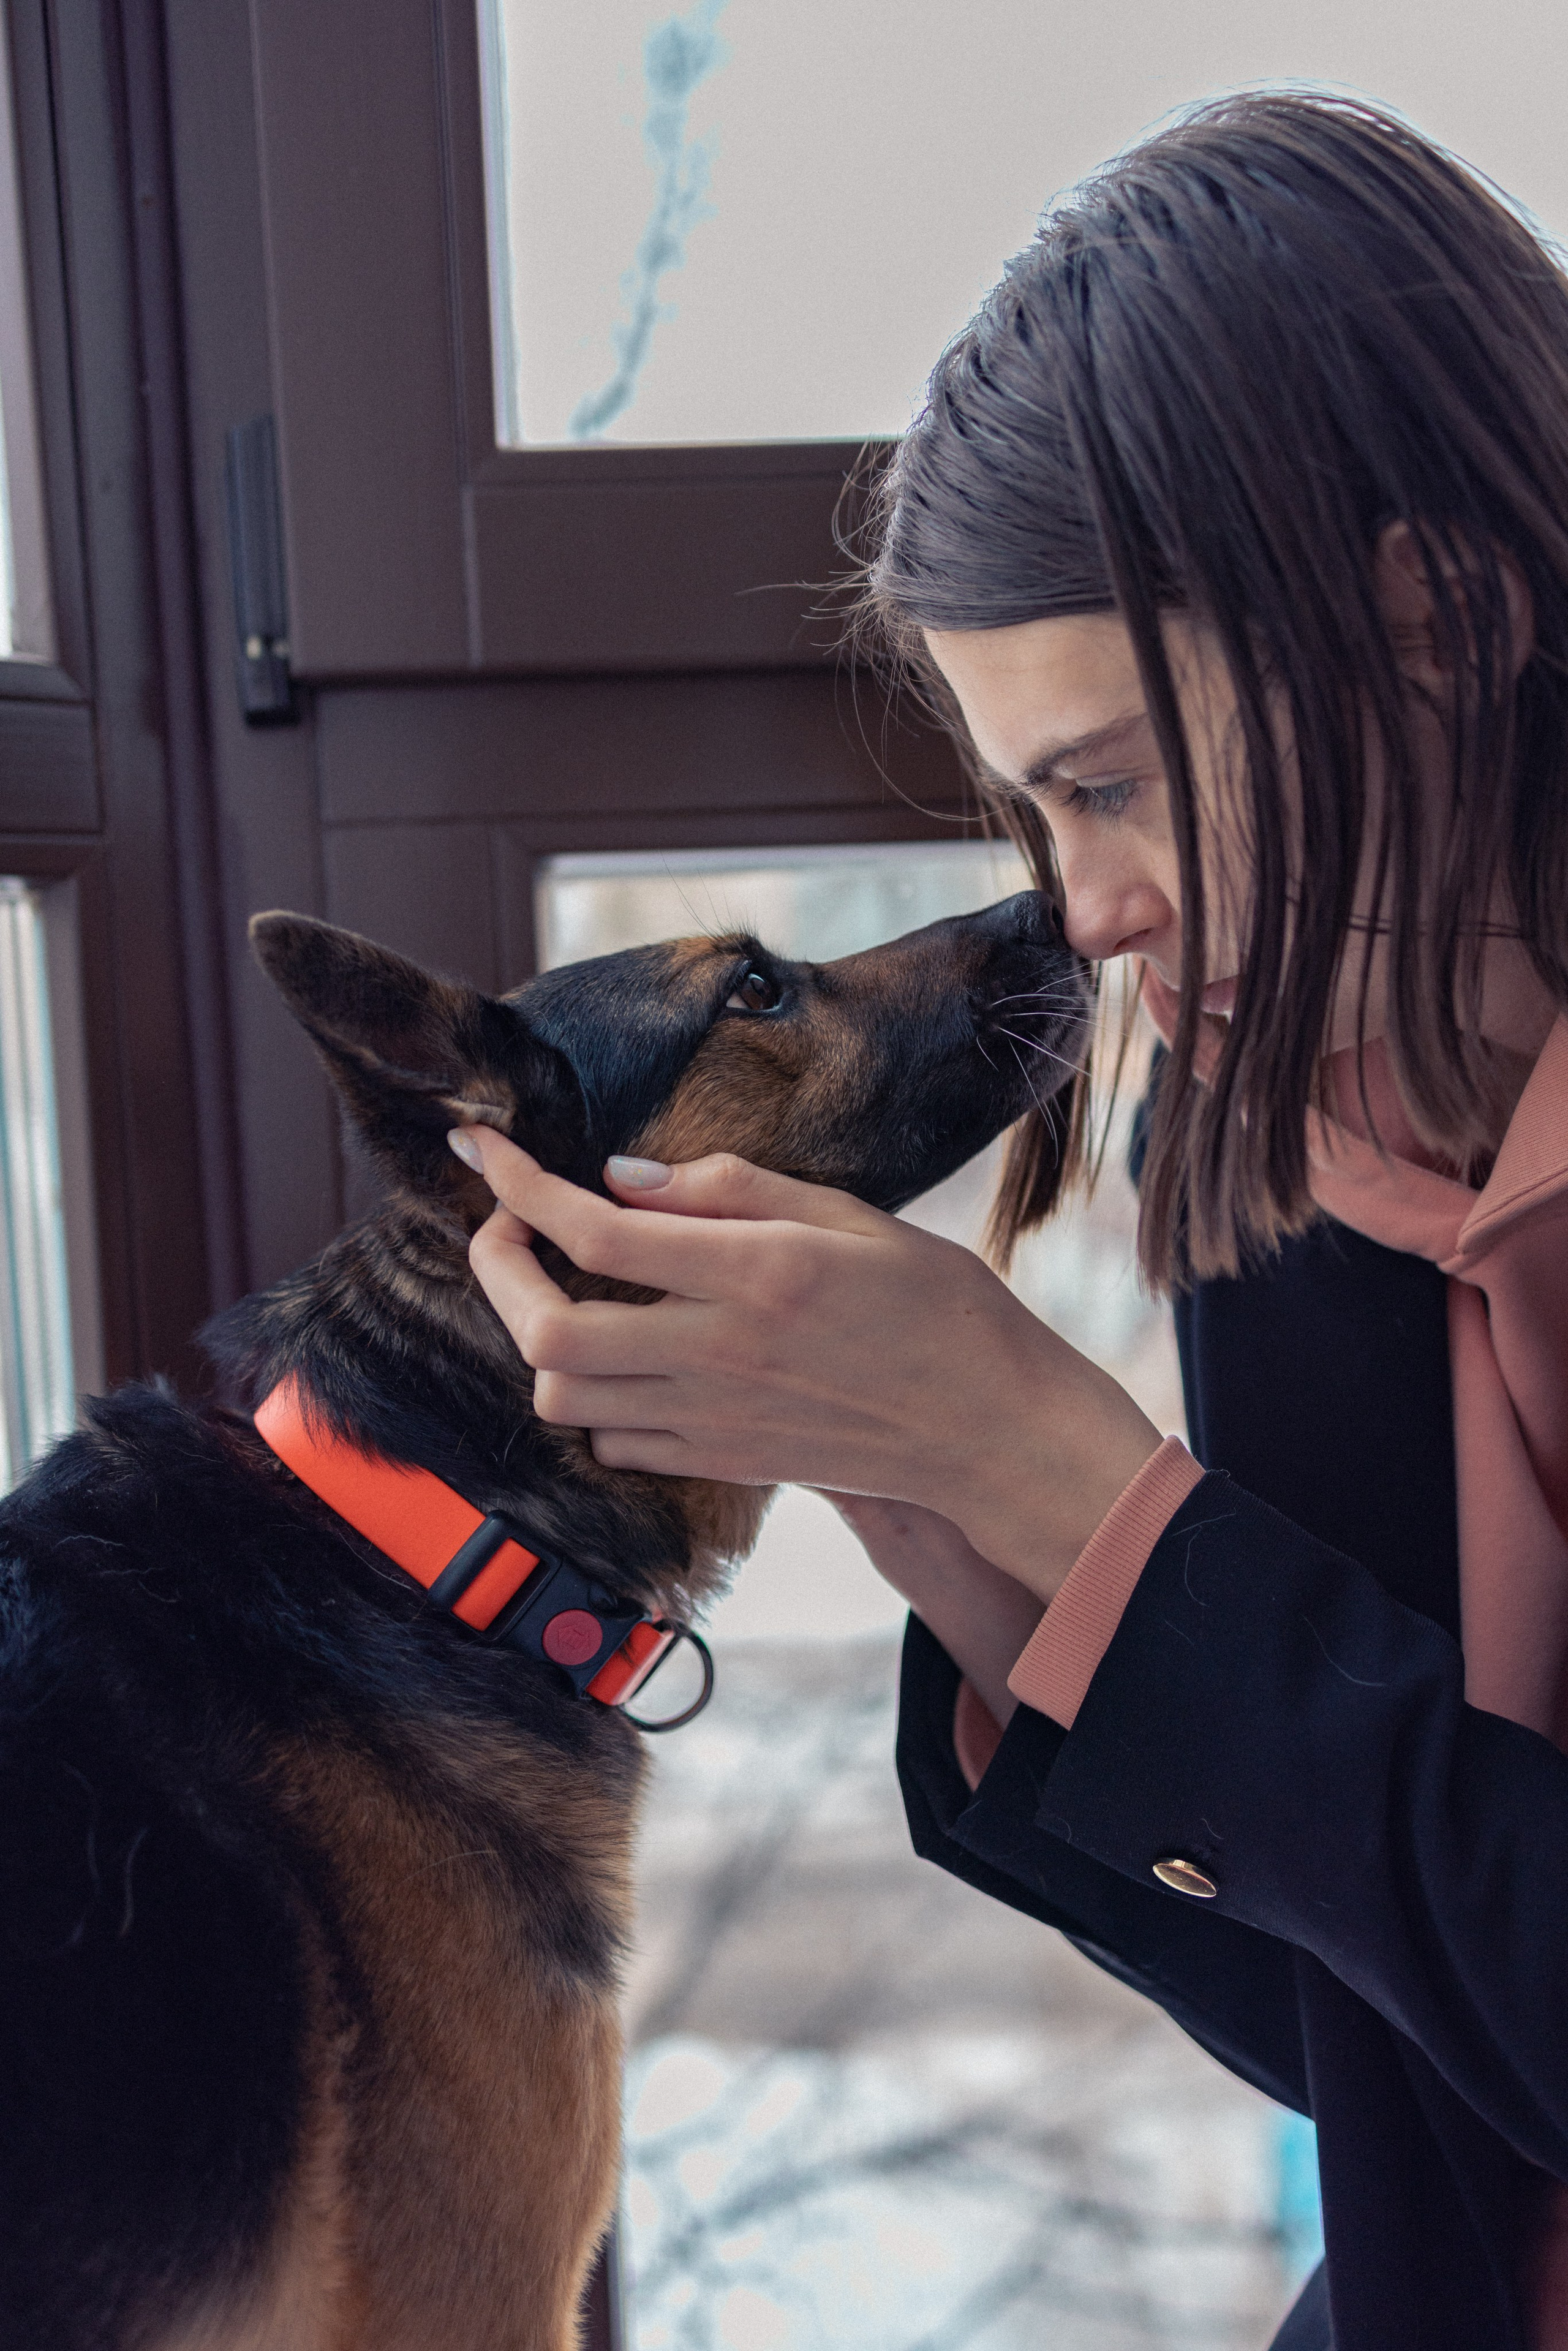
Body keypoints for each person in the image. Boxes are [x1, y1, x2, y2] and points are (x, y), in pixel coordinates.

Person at [449, 93, 1568, 2350]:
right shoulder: (1281, 1163)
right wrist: (963, 1533)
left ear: (1441, 619)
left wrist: (1073, 1478)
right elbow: (1400, 2062)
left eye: (1115, 782)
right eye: (1038, 810)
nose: (1087, 908)